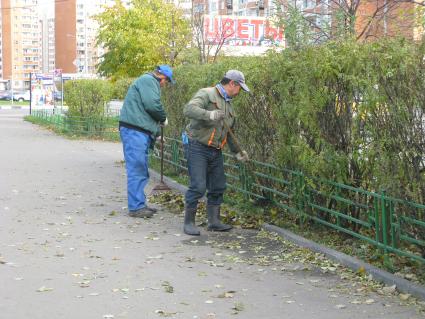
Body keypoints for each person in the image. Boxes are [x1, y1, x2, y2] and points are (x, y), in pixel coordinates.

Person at [182, 70, 250, 236]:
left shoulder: (229, 106)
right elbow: (189, 109)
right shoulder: (207, 93)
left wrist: (238, 152)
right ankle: (189, 222)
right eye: (239, 87)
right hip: (197, 145)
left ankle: (213, 222)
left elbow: (229, 132)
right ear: (232, 83)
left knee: (218, 186)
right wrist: (209, 114)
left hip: (215, 149)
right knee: (198, 186)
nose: (239, 91)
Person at [119, 65, 173, 218]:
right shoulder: (149, 81)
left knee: (140, 168)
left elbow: (143, 113)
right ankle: (136, 207)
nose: (165, 85)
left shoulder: (146, 81)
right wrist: (163, 117)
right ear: (162, 78)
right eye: (166, 82)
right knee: (137, 168)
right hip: (134, 131)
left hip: (137, 131)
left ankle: (139, 204)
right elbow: (152, 105)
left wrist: (156, 134)